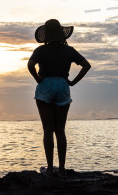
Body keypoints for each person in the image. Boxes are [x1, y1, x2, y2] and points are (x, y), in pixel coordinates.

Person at [27, 18, 91, 174]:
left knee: (48, 129)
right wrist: (72, 82)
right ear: (61, 33)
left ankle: (49, 168)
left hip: (45, 86)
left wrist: (38, 79)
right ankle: (62, 168)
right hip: (62, 85)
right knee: (60, 130)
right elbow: (86, 65)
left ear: (46, 34)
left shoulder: (41, 50)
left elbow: (30, 65)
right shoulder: (68, 50)